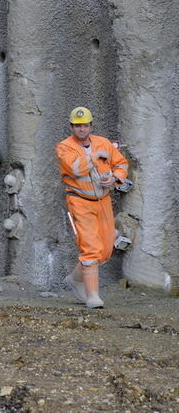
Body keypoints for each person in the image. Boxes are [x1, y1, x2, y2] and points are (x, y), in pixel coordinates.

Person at [55, 106, 129, 309]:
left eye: (85, 125)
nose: (82, 129)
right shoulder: (64, 147)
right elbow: (76, 168)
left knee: (104, 250)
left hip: (103, 202)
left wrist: (114, 178)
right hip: (79, 201)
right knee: (91, 248)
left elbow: (121, 164)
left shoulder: (104, 142)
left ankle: (75, 279)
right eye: (78, 126)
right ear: (71, 127)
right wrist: (94, 157)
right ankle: (93, 296)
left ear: (90, 126)